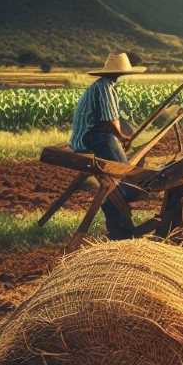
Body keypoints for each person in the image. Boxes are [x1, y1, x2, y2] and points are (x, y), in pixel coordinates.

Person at [69, 50, 146, 239]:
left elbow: (111, 120)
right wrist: (121, 137)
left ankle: (117, 221)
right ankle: (121, 225)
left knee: (114, 179)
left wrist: (122, 137)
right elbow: (110, 120)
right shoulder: (105, 87)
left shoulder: (103, 85)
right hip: (91, 137)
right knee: (124, 176)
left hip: (93, 135)